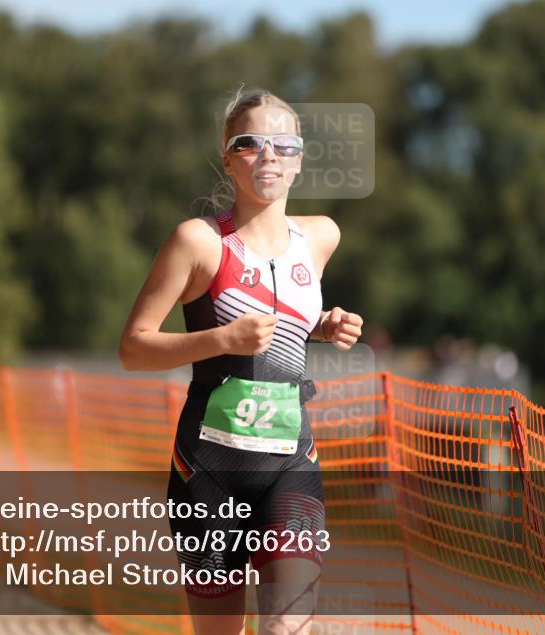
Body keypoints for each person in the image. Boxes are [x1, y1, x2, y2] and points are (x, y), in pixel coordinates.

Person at [119, 87, 363, 635]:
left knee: (287, 626)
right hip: (208, 472)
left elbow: (287, 323)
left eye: (284, 144)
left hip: (291, 466)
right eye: (251, 143)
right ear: (229, 157)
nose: (269, 155)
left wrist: (321, 327)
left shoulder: (321, 238)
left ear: (299, 160)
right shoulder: (198, 243)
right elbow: (133, 347)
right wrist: (222, 340)